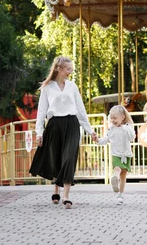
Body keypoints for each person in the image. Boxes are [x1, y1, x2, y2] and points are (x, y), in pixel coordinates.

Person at [29, 56, 98, 209]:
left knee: (68, 158)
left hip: (72, 124)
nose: (70, 72)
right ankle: (56, 188)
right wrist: (39, 133)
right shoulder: (47, 87)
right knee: (56, 159)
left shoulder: (72, 86)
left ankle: (66, 195)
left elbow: (81, 110)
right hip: (54, 126)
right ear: (59, 69)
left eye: (71, 69)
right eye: (68, 69)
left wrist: (90, 131)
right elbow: (41, 112)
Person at [97, 105, 135, 204]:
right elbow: (106, 139)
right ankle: (114, 178)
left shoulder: (127, 127)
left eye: (115, 118)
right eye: (111, 118)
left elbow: (132, 137)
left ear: (122, 117)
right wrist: (97, 140)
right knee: (117, 169)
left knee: (123, 175)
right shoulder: (111, 129)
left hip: (126, 154)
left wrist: (125, 128)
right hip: (115, 154)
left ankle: (120, 194)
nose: (113, 120)